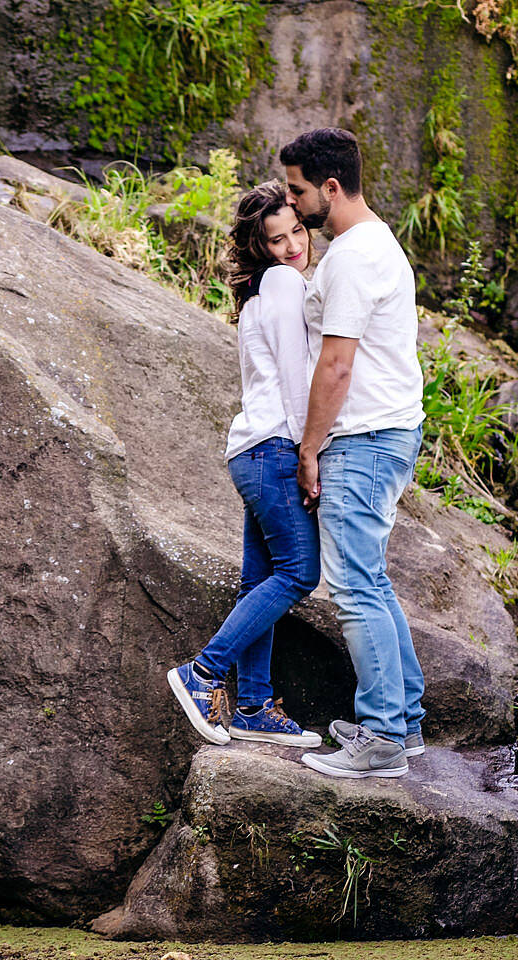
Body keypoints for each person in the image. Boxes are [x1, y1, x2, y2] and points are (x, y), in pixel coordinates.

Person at [280, 128, 426, 779]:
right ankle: (407, 720)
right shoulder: (372, 244)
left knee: (355, 584)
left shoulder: (352, 257)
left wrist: (310, 448)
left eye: (297, 190)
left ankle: (383, 739)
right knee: (371, 578)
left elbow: (336, 366)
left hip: (363, 438)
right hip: (386, 432)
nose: (292, 201)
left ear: (329, 188)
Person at [166, 181, 323, 750]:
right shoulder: (282, 284)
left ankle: (254, 706)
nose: (290, 247)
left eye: (297, 231)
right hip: (276, 449)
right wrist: (313, 451)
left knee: (261, 581)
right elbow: (295, 381)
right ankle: (202, 674)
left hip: (252, 454)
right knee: (299, 572)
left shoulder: (259, 294)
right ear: (258, 248)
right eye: (275, 240)